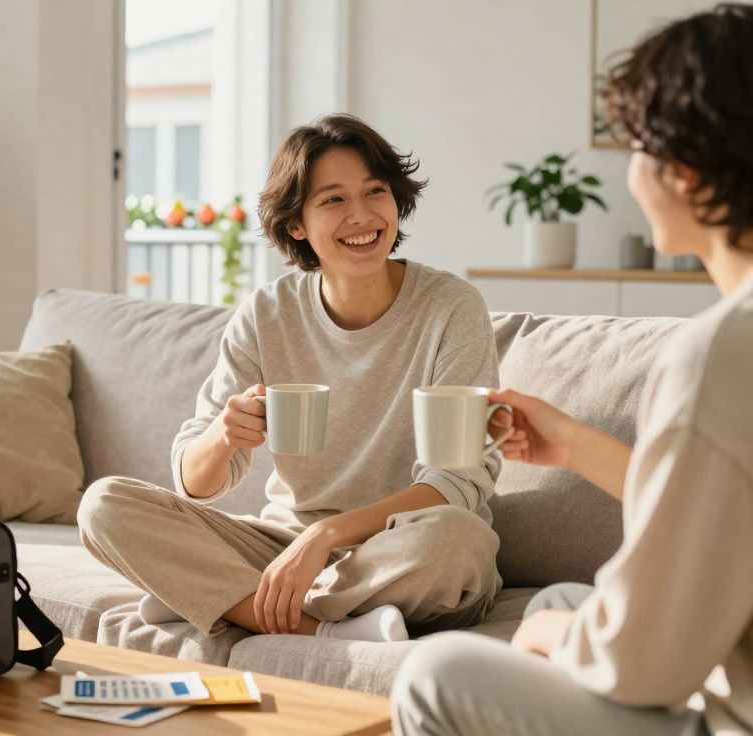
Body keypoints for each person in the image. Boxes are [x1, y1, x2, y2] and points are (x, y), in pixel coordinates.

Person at [392, 5, 753, 734]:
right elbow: (727, 511)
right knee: (560, 597)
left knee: (437, 673)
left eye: (637, 149)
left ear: (681, 168)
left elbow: (647, 660)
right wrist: (574, 445)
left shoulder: (722, 349)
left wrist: (553, 641)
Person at [77, 114, 504, 643]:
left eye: (376, 191)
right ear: (296, 223)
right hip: (285, 545)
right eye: (333, 200)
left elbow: (457, 482)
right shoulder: (266, 313)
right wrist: (223, 436)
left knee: (458, 544)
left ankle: (227, 601)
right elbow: (194, 483)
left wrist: (325, 537)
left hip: (400, 549)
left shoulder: (450, 308)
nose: (363, 215)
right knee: (105, 505)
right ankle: (323, 626)